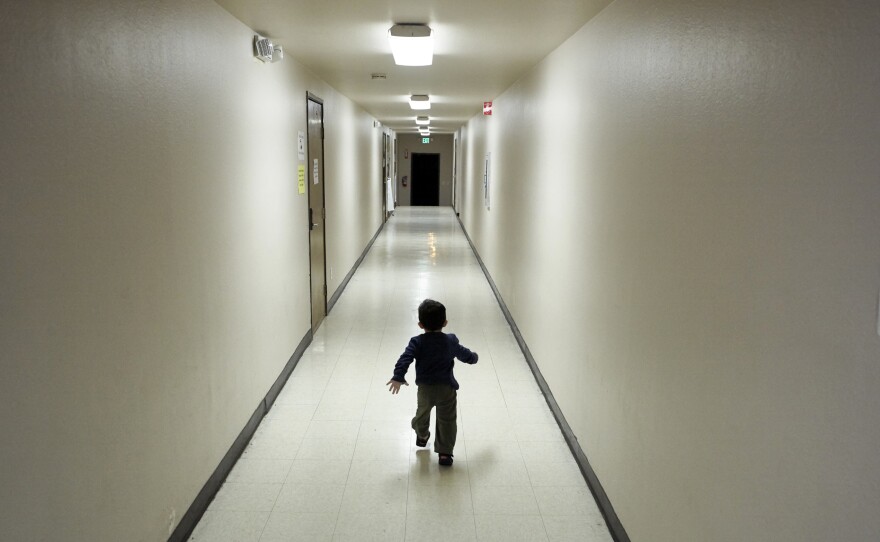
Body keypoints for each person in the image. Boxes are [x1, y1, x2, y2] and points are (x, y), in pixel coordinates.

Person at [387, 299, 478, 466]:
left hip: (425, 390)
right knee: (447, 421)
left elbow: (405, 358)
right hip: (446, 389)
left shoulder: (417, 342)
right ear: (445, 322)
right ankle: (445, 452)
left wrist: (398, 376)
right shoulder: (450, 340)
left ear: (420, 324)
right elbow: (463, 354)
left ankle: (422, 435)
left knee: (421, 415)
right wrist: (473, 357)